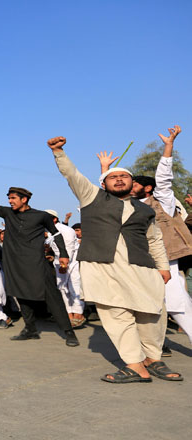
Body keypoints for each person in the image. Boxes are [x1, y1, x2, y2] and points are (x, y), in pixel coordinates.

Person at [50, 135, 179, 382]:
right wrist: (59, 153)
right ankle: (135, 365)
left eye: (124, 177)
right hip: (102, 268)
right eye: (113, 177)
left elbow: (154, 241)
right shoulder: (91, 198)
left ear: (132, 184)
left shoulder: (146, 210)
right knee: (117, 316)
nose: (119, 179)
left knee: (151, 312)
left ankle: (153, 359)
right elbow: (72, 175)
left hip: (141, 267)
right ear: (104, 183)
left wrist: (163, 267)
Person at [0, 183, 80, 347]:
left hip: (37, 263)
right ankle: (30, 330)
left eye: (13, 198)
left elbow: (56, 234)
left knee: (52, 297)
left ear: (24, 199)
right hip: (14, 264)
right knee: (22, 297)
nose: (10, 201)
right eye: (9, 198)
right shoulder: (7, 213)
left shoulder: (41, 216)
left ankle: (69, 332)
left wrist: (64, 254)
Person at [100, 125, 192, 354]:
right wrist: (104, 170)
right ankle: (155, 347)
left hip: (165, 263)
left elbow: (164, 178)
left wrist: (168, 147)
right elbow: (100, 196)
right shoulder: (126, 206)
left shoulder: (163, 202)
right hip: (136, 263)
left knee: (178, 305)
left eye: (135, 183)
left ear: (147, 188)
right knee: (144, 306)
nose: (130, 186)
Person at [45, 209, 85, 328]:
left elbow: (68, 249)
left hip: (71, 261)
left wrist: (64, 265)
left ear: (54, 219)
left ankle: (78, 314)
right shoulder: (47, 231)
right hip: (58, 262)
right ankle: (68, 315)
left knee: (75, 287)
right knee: (62, 289)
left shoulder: (66, 230)